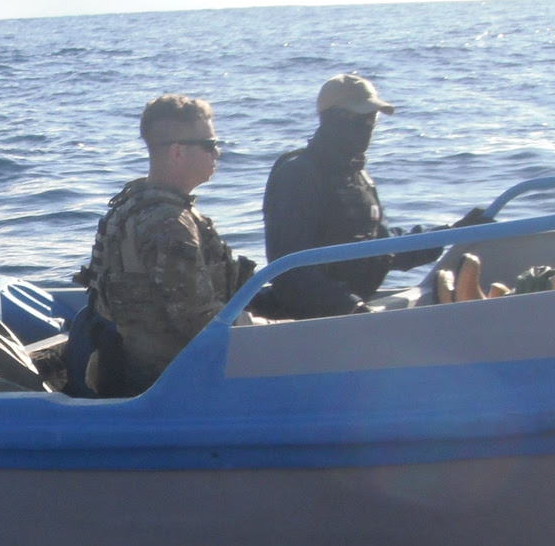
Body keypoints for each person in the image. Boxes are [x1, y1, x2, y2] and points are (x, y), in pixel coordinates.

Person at [75, 94, 251, 395]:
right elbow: (202, 325)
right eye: (209, 144)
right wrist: (265, 332)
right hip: (172, 382)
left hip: (139, 370)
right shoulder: (168, 224)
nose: (217, 153)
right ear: (178, 152)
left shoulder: (134, 204)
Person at [260, 74, 452, 318]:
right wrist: (350, 307)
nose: (368, 125)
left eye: (372, 118)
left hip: (351, 313)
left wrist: (448, 234)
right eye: (362, 117)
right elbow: (290, 269)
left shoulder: (356, 175)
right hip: (307, 321)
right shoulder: (299, 174)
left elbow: (385, 248)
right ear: (334, 119)